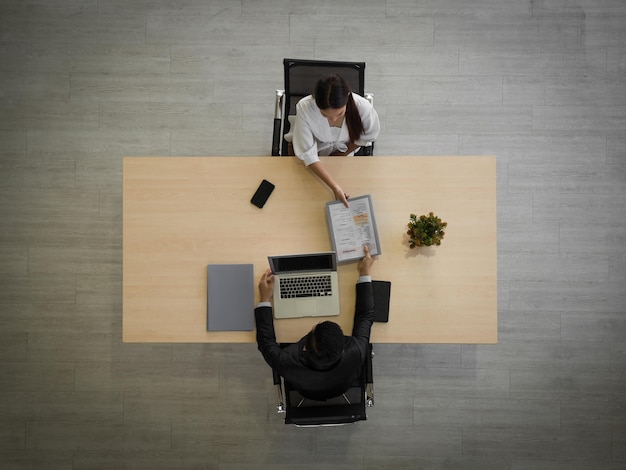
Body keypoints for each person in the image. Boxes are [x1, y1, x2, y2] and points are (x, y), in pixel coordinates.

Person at [254, 245, 376, 401]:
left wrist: (264, 299)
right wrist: (365, 273)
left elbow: (265, 342)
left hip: (308, 391)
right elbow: (365, 315)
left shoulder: (285, 361)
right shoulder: (356, 351)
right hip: (339, 387)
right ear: (343, 346)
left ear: (305, 347)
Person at [286, 74, 380, 207]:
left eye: (339, 114)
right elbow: (308, 154)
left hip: (344, 154)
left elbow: (365, 137)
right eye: (325, 115)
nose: (333, 120)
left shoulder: (363, 108)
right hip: (312, 157)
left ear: (347, 97)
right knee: (305, 198)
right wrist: (335, 187)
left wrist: (341, 155)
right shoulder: (305, 107)